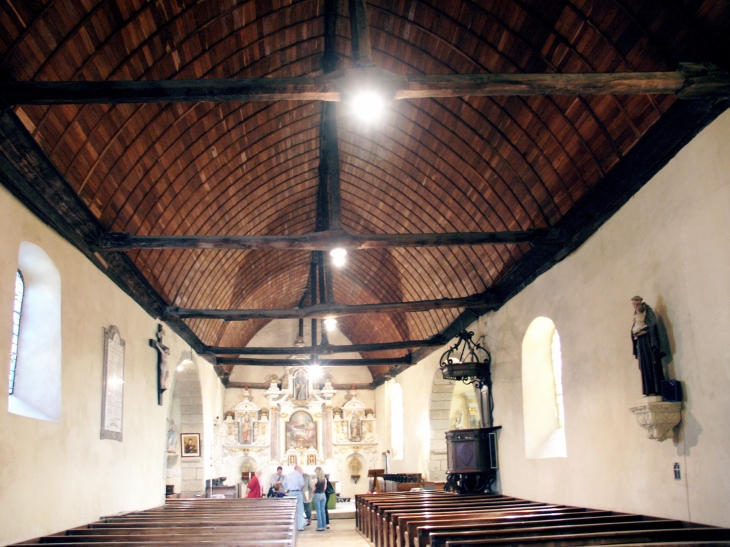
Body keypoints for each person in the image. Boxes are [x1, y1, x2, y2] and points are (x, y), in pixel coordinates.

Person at [631, 296, 666, 396]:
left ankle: (655, 388)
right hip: (641, 343)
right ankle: (648, 389)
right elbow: (634, 329)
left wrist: (644, 331)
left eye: (637, 304)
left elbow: (652, 325)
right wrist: (635, 333)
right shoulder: (636, 315)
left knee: (652, 364)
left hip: (648, 341)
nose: (635, 306)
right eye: (634, 305)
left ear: (641, 303)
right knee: (644, 366)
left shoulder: (648, 311)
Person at [282, 465, 306, 531]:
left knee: (291, 510)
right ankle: (299, 526)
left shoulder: (288, 475)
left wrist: (289, 488)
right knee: (300, 510)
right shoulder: (299, 475)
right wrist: (300, 490)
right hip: (298, 493)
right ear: (297, 469)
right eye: (300, 468)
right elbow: (303, 484)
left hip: (290, 493)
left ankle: (291, 526)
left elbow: (284, 484)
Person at [313, 467, 328, 531]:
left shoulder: (315, 479)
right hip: (323, 495)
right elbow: (325, 488)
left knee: (318, 511)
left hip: (317, 495)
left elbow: (313, 489)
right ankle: (324, 526)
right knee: (323, 511)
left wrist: (313, 491)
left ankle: (319, 526)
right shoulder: (324, 479)